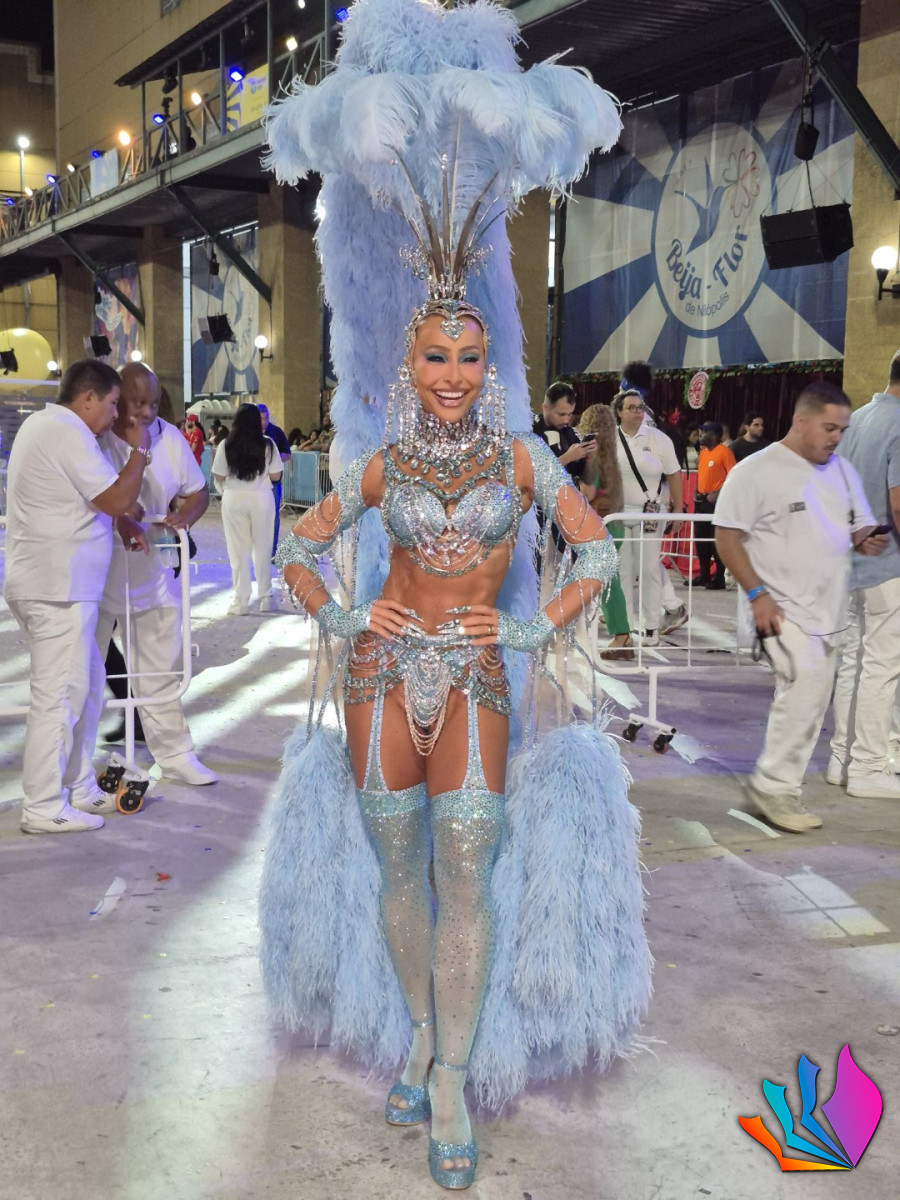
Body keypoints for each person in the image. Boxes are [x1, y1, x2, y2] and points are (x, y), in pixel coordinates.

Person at [259, 13, 649, 1186]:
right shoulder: (379, 466)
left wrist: (531, 626)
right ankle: (421, 1033)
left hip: (476, 676)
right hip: (382, 678)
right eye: (435, 358)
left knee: (466, 867)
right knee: (398, 871)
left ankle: (450, 1078)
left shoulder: (523, 462)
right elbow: (299, 550)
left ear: (488, 365)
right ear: (410, 363)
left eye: (470, 359)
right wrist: (340, 614)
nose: (452, 376)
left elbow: (598, 559)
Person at [715, 382, 886, 834]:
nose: (836, 437)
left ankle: (780, 788)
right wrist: (757, 594)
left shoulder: (843, 472)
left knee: (809, 703)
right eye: (829, 428)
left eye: (842, 430)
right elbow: (727, 538)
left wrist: (865, 540)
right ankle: (772, 789)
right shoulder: (755, 471)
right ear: (800, 421)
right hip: (776, 608)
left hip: (828, 611)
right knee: (805, 684)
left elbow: (856, 526)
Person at [3, 359, 151, 833]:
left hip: (57, 587)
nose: (115, 415)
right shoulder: (65, 430)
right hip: (57, 590)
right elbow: (116, 497)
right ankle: (43, 805)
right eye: (112, 404)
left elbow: (95, 502)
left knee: (85, 687)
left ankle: (78, 786)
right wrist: (140, 451)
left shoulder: (53, 428)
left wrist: (120, 521)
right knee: (59, 696)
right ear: (88, 398)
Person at [88, 362, 217, 793]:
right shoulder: (94, 436)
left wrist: (185, 517)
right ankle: (73, 764)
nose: (147, 412)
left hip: (152, 569)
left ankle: (176, 755)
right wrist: (119, 514)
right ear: (117, 398)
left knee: (159, 670)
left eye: (154, 403)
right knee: (84, 671)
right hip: (95, 573)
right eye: (138, 402)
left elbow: (199, 491)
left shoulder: (170, 437)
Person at [829, 350, 900, 798]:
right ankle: (870, 767)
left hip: (852, 562)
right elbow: (899, 503)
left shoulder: (856, 421)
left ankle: (843, 759)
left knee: (853, 663)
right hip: (888, 563)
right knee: (882, 666)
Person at [613, 388, 683, 645]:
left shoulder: (659, 439)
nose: (637, 412)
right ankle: (624, 630)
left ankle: (651, 628)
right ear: (619, 411)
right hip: (618, 512)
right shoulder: (609, 438)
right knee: (622, 571)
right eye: (631, 407)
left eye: (640, 407)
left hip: (650, 512)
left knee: (649, 569)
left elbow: (674, 474)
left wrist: (678, 510)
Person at [213, 403, 283, 614]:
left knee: (238, 551)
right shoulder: (268, 444)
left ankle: (240, 601)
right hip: (261, 497)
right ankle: (266, 597)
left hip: (234, 498)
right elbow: (276, 476)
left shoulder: (225, 445)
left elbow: (219, 476)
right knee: (263, 548)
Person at [579, 403, 633, 659]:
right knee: (610, 582)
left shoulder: (593, 458)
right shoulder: (610, 457)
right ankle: (621, 634)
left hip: (600, 528)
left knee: (609, 585)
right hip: (614, 526)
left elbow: (587, 493)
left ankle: (622, 635)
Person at [693, 420, 735, 588]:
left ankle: (719, 578)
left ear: (715, 436)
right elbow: (701, 475)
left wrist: (718, 493)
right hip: (702, 501)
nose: (701, 435)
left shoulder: (725, 452)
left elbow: (733, 476)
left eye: (705, 432)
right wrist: (696, 491)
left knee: (715, 541)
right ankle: (704, 575)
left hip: (716, 503)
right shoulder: (703, 453)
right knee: (701, 541)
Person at [532, 381, 593, 483]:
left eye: (569, 414)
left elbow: (584, 477)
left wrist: (589, 456)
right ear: (545, 408)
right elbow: (534, 474)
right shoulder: (531, 432)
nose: (566, 420)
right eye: (561, 414)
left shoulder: (571, 433)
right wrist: (568, 457)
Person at [257, 403, 292, 554]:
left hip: (273, 483)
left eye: (265, 418)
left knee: (273, 516)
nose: (263, 422)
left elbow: (287, 454)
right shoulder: (250, 434)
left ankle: (272, 550)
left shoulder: (276, 432)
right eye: (260, 418)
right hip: (255, 483)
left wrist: (273, 459)